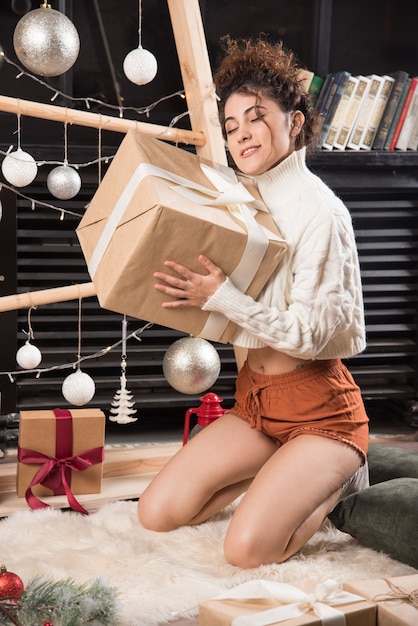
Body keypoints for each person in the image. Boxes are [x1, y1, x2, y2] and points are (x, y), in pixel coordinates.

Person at [138, 36, 370, 568]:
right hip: (257, 406)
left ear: (294, 121)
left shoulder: (322, 213)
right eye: (232, 126)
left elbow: (311, 335)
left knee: (246, 551)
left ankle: (338, 482)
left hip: (320, 414)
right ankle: (279, 477)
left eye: (256, 118)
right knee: (157, 512)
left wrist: (223, 296)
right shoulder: (234, 198)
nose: (241, 134)